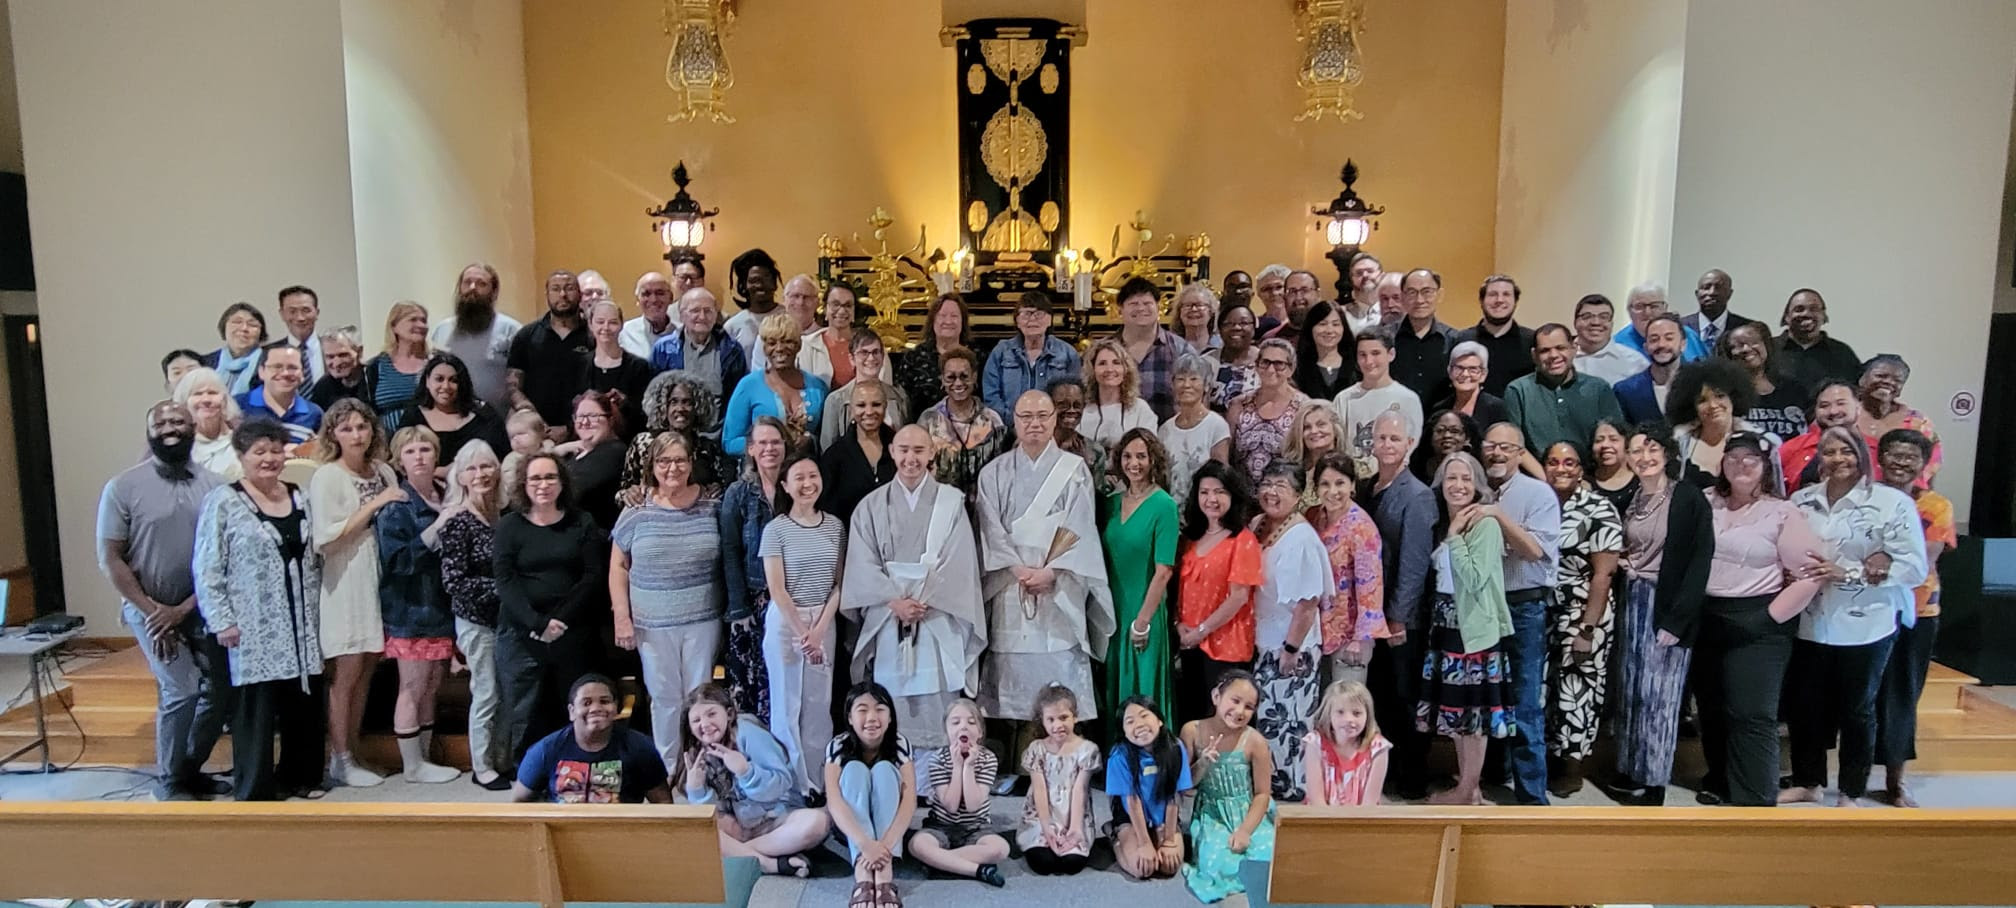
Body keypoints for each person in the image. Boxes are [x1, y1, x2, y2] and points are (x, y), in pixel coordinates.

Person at [1783, 427, 1926, 807]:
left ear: (1862, 454)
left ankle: (1851, 789)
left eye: (1846, 451)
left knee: (1858, 711)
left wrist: (1850, 572)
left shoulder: (1891, 503)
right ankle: (1808, 781)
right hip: (1811, 620)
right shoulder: (1802, 501)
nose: (1838, 459)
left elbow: (1913, 568)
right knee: (1807, 708)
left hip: (1867, 623)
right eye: (1829, 452)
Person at [98, 401, 230, 800]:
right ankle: (171, 780)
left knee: (221, 690)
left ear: (193, 428)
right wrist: (155, 611)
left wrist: (184, 608)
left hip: (200, 607)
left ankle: (190, 767)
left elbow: (224, 556)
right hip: (148, 611)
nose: (169, 428)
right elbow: (111, 557)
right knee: (182, 689)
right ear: (149, 432)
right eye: (161, 423)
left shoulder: (216, 485)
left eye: (178, 421)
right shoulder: (122, 487)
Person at [194, 420, 324, 801]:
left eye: (275, 450)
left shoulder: (299, 495)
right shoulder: (223, 501)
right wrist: (221, 619)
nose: (269, 459)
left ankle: (301, 776)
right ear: (241, 456)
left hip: (300, 622)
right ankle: (256, 787)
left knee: (302, 701)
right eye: (259, 452)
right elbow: (207, 565)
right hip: (250, 625)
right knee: (257, 710)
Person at [843, 424, 988, 756]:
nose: (911, 458)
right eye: (904, 450)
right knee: (891, 695)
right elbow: (862, 563)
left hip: (937, 612)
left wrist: (923, 600)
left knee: (938, 693)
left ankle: (941, 777)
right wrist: (894, 601)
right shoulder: (870, 506)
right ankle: (895, 768)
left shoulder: (951, 503)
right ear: (891, 452)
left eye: (919, 450)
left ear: (932, 452)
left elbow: (960, 559)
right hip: (888, 613)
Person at [1694, 432, 1821, 807]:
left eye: (1751, 458)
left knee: (1751, 712)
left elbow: (1811, 573)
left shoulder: (1782, 511)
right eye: (1733, 457)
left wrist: (1769, 617)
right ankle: (1719, 780)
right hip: (1708, 616)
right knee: (1712, 708)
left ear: (1766, 466)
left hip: (1760, 621)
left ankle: (1755, 795)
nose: (1741, 465)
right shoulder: (1706, 502)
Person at [976, 391, 1115, 724]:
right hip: (1011, 583)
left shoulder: (1074, 470)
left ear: (1054, 419)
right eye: (1026, 416)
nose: (1034, 423)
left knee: (1059, 685)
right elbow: (990, 530)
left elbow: (1080, 527)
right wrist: (1017, 568)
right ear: (1014, 420)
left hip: (1058, 586)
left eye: (1042, 415)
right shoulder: (993, 473)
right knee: (1011, 697)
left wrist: (1051, 572)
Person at [1604, 422, 1715, 806]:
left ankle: (1654, 783)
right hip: (1633, 600)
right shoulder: (1635, 498)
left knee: (1661, 698)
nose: (1644, 457)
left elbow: (1699, 562)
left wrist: (1677, 621)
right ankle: (1631, 769)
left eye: (1651, 449)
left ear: (1666, 452)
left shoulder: (1686, 498)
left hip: (1667, 607)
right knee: (1633, 692)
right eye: (1636, 451)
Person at [609, 431, 724, 774]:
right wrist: (621, 616)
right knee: (664, 699)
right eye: (664, 461)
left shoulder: (712, 504)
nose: (672, 468)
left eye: (679, 460)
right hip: (652, 623)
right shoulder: (636, 508)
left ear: (691, 464)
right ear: (652, 466)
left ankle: (703, 768)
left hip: (702, 618)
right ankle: (667, 771)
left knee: (700, 697)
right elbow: (618, 566)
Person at [493, 453, 609, 770]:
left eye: (549, 478)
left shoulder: (581, 522)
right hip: (521, 632)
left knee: (571, 705)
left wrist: (561, 620)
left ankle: (573, 772)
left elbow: (592, 576)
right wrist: (537, 623)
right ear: (523, 484)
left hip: (572, 631)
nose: (543, 485)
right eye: (535, 478)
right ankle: (527, 774)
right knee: (523, 709)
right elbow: (505, 579)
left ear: (562, 483)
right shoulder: (509, 525)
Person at [307, 398, 400, 788]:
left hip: (378, 578)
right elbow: (326, 538)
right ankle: (339, 756)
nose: (356, 434)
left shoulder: (382, 470)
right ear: (333, 434)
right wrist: (376, 503)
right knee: (345, 673)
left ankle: (356, 751)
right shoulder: (328, 476)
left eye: (362, 427)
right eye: (347, 428)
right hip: (345, 580)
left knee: (366, 671)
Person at [1416, 452, 1515, 805]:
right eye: (1451, 478)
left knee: (1474, 718)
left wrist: (1456, 538)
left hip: (1473, 631)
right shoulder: (1444, 522)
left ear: (1477, 486)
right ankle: (1468, 789)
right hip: (1446, 625)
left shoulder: (1484, 524)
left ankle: (1466, 788)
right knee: (1456, 715)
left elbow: (1474, 579)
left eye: (1465, 479)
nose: (1457, 486)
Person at [371, 426, 462, 784]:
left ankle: (424, 757)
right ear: (399, 460)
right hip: (410, 608)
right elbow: (397, 562)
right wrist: (437, 528)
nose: (420, 456)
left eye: (426, 448)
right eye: (411, 451)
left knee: (432, 686)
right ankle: (411, 765)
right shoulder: (397, 504)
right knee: (412, 685)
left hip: (441, 607)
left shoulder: (446, 494)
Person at [1539, 440, 1624, 797]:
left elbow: (1603, 575)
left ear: (1581, 469)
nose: (1561, 468)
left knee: (1577, 691)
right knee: (1546, 687)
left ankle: (1571, 767)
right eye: (1554, 462)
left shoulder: (1598, 508)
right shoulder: (1538, 502)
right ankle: (1544, 759)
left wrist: (1586, 629)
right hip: (1544, 608)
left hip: (1584, 608)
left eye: (1570, 462)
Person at [1874, 428, 1953, 807]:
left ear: (1924, 464)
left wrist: (1878, 560)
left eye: (1911, 457)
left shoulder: (1936, 506)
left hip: (1916, 612)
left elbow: (1924, 560)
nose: (1901, 462)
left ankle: (1896, 779)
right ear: (1880, 456)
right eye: (1894, 454)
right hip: (1865, 609)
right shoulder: (1864, 497)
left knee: (1902, 694)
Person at [1482, 421, 1560, 797]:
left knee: (1525, 700)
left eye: (1505, 447)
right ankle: (1491, 776)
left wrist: (1497, 516)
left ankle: (1532, 796)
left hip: (1523, 606)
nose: (1496, 453)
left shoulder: (1538, 493)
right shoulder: (1474, 488)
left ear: (1519, 453)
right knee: (1484, 695)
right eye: (1490, 446)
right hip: (1482, 605)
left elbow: (1535, 551)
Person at [760, 454, 846, 791]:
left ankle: (820, 781)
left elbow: (840, 582)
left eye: (812, 476)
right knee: (786, 704)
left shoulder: (835, 525)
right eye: (799, 478)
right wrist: (801, 632)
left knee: (818, 705)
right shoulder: (776, 529)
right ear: (785, 485)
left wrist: (821, 627)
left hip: (823, 619)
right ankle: (792, 784)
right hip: (787, 622)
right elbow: (777, 589)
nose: (807, 483)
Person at [679, 683, 828, 878]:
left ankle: (737, 854)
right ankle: (769, 863)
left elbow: (781, 785)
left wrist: (746, 772)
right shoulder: (697, 753)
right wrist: (696, 790)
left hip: (775, 819)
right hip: (738, 825)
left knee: (818, 822)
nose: (704, 724)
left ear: (729, 714)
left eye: (711, 714)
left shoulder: (749, 734)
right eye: (696, 720)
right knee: (693, 829)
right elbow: (712, 815)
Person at [1365, 410, 1437, 800]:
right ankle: (1385, 772)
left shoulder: (1419, 494)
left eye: (1396, 439)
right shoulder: (1367, 486)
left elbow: (1414, 561)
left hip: (1400, 618)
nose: (1388, 445)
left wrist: (1398, 617)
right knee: (1381, 696)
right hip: (1370, 615)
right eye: (1382, 438)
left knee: (1405, 697)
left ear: (1409, 444)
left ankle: (1414, 777)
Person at [434, 439, 513, 790]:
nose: (481, 474)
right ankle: (482, 767)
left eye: (486, 466)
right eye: (472, 468)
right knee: (487, 692)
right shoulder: (456, 520)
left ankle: (502, 759)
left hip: (509, 620)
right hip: (475, 620)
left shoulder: (504, 516)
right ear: (460, 476)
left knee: (508, 691)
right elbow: (454, 581)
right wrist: (507, 590)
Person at [1249, 462, 1329, 802]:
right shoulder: (1264, 527)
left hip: (1289, 648)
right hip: (1265, 641)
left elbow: (1308, 603)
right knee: (1268, 725)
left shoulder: (1301, 538)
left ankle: (1291, 798)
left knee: (1288, 727)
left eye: (1282, 486)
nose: (1272, 492)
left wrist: (1291, 649)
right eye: (1267, 483)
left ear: (1298, 495)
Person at [1104, 429, 1180, 724]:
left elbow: (1164, 571)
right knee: (1116, 691)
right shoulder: (1111, 502)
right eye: (1127, 456)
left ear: (1153, 460)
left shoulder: (1164, 506)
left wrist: (1142, 622)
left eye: (1141, 456)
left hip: (1143, 612)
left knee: (1143, 691)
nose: (1133, 463)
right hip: (1114, 610)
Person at [1180, 671, 1276, 903]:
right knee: (1220, 863)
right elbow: (1184, 787)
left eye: (1249, 707)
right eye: (1235, 700)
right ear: (1216, 696)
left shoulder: (1255, 741)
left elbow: (1263, 794)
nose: (1240, 711)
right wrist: (1202, 764)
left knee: (1270, 858)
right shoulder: (1192, 731)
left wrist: (1245, 830)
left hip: (1249, 811)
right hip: (1212, 813)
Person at [1175, 462, 1261, 721]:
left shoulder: (1242, 540)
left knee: (1224, 718)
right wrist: (1179, 624)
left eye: (1219, 492)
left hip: (1226, 646)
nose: (1211, 499)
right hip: (1190, 642)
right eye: (1205, 492)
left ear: (1232, 495)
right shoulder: (1192, 537)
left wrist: (1202, 630)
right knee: (1193, 717)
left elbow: (1238, 597)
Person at [825, 682, 918, 908]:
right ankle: (863, 873)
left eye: (880, 709)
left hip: (889, 835)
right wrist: (865, 844)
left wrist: (883, 846)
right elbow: (834, 800)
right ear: (849, 717)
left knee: (885, 770)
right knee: (855, 769)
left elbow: (909, 800)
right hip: (852, 832)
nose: (872, 717)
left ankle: (884, 873)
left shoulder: (900, 744)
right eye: (862, 710)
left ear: (890, 717)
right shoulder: (837, 745)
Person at [512, 673, 671, 803]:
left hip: (621, 835)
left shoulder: (640, 747)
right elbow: (518, 804)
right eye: (586, 703)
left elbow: (663, 804)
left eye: (604, 701)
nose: (596, 708)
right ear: (572, 711)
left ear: (616, 708)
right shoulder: (545, 749)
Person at [721, 418, 786, 725]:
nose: (769, 449)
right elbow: (730, 551)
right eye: (762, 443)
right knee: (750, 687)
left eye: (775, 442)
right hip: (752, 602)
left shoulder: (798, 486)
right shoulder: (738, 493)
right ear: (750, 449)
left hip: (791, 600)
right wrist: (738, 609)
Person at [909, 699, 1012, 888]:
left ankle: (940, 863)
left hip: (976, 828)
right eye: (955, 722)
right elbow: (950, 805)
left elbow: (973, 806)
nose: (963, 727)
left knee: (1001, 849)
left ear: (980, 732)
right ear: (947, 732)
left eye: (971, 722)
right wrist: (957, 766)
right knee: (917, 844)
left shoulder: (988, 758)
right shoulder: (937, 759)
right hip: (940, 826)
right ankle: (976, 870)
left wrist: (969, 766)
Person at [1307, 453, 1385, 686]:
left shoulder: (1362, 528)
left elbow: (1371, 589)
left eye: (1340, 483)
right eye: (1325, 484)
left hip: (1349, 638)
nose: (1333, 491)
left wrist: (1360, 639)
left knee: (1346, 708)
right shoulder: (1314, 517)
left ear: (1352, 485)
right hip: (1316, 631)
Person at [1504, 323, 1626, 470]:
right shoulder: (1518, 390)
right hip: (1538, 481)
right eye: (1545, 351)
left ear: (1574, 349)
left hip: (1591, 479)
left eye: (1560, 348)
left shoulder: (1599, 388)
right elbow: (1515, 445)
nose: (1554, 355)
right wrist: (1547, 482)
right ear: (1534, 355)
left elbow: (1615, 440)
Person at [1018, 686, 1100, 876]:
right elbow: (1039, 789)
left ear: (1075, 717)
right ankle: (1041, 838)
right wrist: (1046, 828)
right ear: (1043, 721)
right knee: (1044, 863)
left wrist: (1075, 828)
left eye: (1063, 718)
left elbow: (1080, 790)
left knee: (1071, 864)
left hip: (1073, 815)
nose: (1057, 725)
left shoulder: (1087, 749)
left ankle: (1072, 838)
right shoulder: (1036, 749)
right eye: (1051, 719)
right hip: (1042, 815)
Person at [1108, 695, 1191, 881]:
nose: (1138, 724)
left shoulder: (1176, 747)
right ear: (1124, 731)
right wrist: (1145, 843)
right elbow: (1132, 801)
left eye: (1144, 716)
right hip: (1131, 818)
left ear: (1159, 720)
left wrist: (1169, 840)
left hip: (1164, 817)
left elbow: (1174, 796)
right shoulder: (1119, 755)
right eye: (1129, 721)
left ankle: (1158, 836)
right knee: (1142, 868)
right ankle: (1115, 837)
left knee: (1169, 866)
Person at [723, 312, 829, 455]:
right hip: (760, 473)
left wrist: (810, 441)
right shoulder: (748, 386)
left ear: (799, 345)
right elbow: (730, 442)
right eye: (772, 343)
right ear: (764, 348)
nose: (779, 348)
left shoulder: (818, 387)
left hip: (806, 473)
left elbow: (828, 438)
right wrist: (770, 444)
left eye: (787, 342)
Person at [430, 264, 524, 415]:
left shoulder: (511, 330)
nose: (473, 287)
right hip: (451, 418)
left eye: (481, 284)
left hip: (498, 420)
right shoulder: (442, 330)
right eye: (467, 282)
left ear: (493, 292)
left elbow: (522, 380)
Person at [914, 348, 1006, 499]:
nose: (958, 383)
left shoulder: (992, 420)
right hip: (939, 504)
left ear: (975, 377)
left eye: (964, 376)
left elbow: (1002, 468)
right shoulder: (928, 420)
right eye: (951, 377)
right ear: (942, 379)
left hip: (984, 504)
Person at [508, 270, 594, 431]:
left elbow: (600, 387)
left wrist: (570, 428)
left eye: (569, 288)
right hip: (535, 432)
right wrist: (533, 418)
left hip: (583, 430)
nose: (562, 294)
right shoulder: (526, 335)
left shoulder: (594, 335)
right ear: (547, 294)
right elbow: (513, 387)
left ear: (580, 294)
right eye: (555, 289)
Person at [982, 289, 1081, 423]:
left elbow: (1075, 397)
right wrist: (1014, 422)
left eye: (1039, 314)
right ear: (1017, 321)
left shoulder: (1067, 353)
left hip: (1054, 430)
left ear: (1050, 319)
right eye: (1026, 314)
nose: (1032, 319)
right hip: (1008, 430)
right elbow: (991, 396)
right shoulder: (1001, 352)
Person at [397, 352, 508, 469]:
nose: (446, 386)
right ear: (427, 382)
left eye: (453, 380)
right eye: (439, 379)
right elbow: (399, 457)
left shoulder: (484, 416)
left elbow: (501, 456)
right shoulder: (413, 416)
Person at [623, 370, 727, 494]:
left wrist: (718, 488)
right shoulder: (643, 444)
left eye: (687, 402)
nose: (680, 409)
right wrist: (628, 494)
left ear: (698, 408)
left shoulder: (708, 449)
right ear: (663, 407)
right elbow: (624, 489)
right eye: (673, 402)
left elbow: (720, 486)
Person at [1668, 358, 1765, 487]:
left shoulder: (1762, 443)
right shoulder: (1678, 444)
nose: (1713, 405)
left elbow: (1775, 493)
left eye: (1720, 396)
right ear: (1691, 407)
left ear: (1733, 397)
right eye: (1702, 400)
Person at [1113, 277, 1200, 421]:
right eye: (1133, 303)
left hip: (1168, 436)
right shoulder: (1104, 350)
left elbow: (1196, 396)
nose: (1141, 308)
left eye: (1147, 303)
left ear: (1158, 307)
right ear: (1120, 310)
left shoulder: (1181, 349)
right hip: (1115, 437)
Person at [1335, 330, 1424, 464]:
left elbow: (1411, 444)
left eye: (1375, 353)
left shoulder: (1408, 399)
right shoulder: (1344, 399)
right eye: (1362, 355)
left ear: (1391, 354)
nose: (1369, 361)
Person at [1226, 338, 1307, 483]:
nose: (1271, 370)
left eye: (1279, 364)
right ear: (1256, 366)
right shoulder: (1238, 405)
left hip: (1287, 496)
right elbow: (1227, 457)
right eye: (1265, 363)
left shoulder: (1304, 407)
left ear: (1291, 369)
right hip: (1244, 498)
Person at [649, 287, 750, 402]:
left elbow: (740, 395)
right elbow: (654, 393)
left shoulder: (732, 350)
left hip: (719, 419)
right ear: (682, 315)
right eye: (695, 311)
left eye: (708, 311)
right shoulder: (663, 349)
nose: (702, 317)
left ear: (716, 315)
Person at [1855, 354, 1941, 487]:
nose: (1889, 382)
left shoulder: (1918, 423)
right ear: (1862, 380)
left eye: (1897, 380)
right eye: (1881, 376)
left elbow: (1929, 466)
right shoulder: (1842, 415)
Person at [820, 377, 898, 521]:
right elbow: (828, 511)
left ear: (885, 406)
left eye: (876, 404)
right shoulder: (834, 457)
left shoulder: (901, 451)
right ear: (851, 409)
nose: (869, 411)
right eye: (861, 405)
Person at [1302, 680, 1391, 806]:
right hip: (1321, 819)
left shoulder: (1378, 748)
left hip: (1362, 820)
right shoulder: (1314, 743)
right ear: (1329, 714)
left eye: (1357, 713)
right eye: (1340, 712)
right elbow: (1317, 800)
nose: (1349, 719)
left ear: (1368, 715)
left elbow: (1369, 804)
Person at [1158, 352, 1231, 507]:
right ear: (1172, 385)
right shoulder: (1165, 429)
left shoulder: (1216, 425)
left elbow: (1221, 476)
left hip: (1205, 510)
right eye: (1180, 379)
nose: (1186, 385)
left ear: (1206, 385)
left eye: (1194, 379)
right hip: (1172, 510)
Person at [1718, 321, 1810, 441]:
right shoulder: (1725, 394)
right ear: (1729, 354)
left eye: (1753, 342)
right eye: (1738, 345)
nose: (1746, 349)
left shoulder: (1795, 390)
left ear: (1765, 345)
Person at [822, 330, 911, 450]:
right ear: (852, 359)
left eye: (876, 352)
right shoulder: (836, 401)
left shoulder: (899, 397)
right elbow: (828, 448)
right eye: (864, 353)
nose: (871, 358)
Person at [576, 300, 655, 434]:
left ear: (621, 325)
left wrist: (625, 404)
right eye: (600, 322)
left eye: (612, 322)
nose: (606, 327)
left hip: (626, 439)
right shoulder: (578, 365)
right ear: (590, 324)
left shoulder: (638, 367)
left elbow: (645, 414)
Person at [1778, 382, 1870, 493]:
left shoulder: (1873, 448)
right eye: (1824, 406)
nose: (1833, 411)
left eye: (1841, 404)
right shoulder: (1792, 448)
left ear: (1858, 406)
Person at [1453, 274, 1537, 396]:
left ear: (1515, 301)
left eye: (1506, 294)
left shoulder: (1532, 340)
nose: (1499, 300)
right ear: (1481, 301)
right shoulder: (1462, 340)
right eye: (1492, 294)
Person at [561, 390, 629, 530]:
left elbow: (576, 489)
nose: (585, 422)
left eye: (592, 416)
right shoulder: (572, 452)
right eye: (580, 417)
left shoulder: (614, 451)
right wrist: (559, 449)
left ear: (610, 420)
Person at [1389, 268, 1458, 402]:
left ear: (1439, 295)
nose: (1419, 300)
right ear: (1402, 297)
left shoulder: (1454, 340)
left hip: (1440, 419)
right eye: (1412, 292)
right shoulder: (1386, 338)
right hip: (1395, 416)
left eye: (1427, 292)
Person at [1775, 288, 1862, 391]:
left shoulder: (1842, 353)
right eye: (1799, 309)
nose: (1806, 314)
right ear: (1786, 317)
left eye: (1814, 309)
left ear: (1824, 316)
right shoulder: (1769, 349)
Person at [897, 293, 970, 412]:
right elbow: (901, 401)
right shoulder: (914, 358)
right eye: (942, 315)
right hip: (921, 426)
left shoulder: (977, 356)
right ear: (932, 321)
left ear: (963, 321)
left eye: (954, 316)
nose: (948, 321)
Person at [365, 302, 433, 432]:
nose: (421, 325)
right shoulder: (376, 366)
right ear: (394, 326)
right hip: (387, 444)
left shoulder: (435, 363)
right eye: (413, 320)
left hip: (429, 442)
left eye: (424, 321)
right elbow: (369, 411)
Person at [236, 344, 322, 445]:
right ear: (261, 371)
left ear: (303, 374)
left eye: (292, 367)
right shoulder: (238, 406)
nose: (285, 373)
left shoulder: (314, 414)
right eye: (277, 367)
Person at [1083, 337, 1160, 448]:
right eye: (1102, 363)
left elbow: (1150, 451)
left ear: (1125, 370)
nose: (1109, 369)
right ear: (1092, 370)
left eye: (1116, 363)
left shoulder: (1140, 409)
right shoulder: (1083, 409)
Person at [1613, 312, 1687, 426]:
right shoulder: (1626, 391)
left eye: (1669, 338)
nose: (1661, 344)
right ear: (1646, 347)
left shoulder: (1701, 384)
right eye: (1654, 339)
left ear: (1683, 345)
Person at [798, 283, 876, 389]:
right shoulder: (807, 346)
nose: (842, 310)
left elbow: (884, 389)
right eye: (835, 304)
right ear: (825, 309)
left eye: (848, 305)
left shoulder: (872, 345)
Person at [174, 370, 243, 480]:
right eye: (197, 394)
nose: (206, 400)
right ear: (184, 404)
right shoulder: (176, 447)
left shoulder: (245, 441)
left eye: (212, 393)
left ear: (225, 401)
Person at [1613, 283, 1710, 362]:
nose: (1648, 312)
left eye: (1654, 306)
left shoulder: (1688, 335)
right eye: (1640, 306)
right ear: (1629, 311)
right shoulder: (1617, 345)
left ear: (1665, 308)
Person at [1048, 376, 1109, 495]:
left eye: (1077, 405)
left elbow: (1097, 501)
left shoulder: (1095, 452)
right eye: (1063, 405)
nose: (1071, 410)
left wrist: (1084, 468)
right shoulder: (1034, 447)